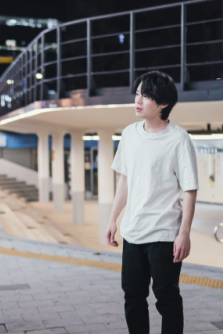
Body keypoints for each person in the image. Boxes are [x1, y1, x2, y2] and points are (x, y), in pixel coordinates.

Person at [106, 71, 198, 334]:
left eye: (146, 96)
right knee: (133, 297)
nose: (138, 100)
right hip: (133, 233)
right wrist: (113, 219)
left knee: (166, 298)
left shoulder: (178, 139)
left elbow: (189, 190)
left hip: (165, 234)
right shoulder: (129, 134)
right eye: (137, 93)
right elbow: (123, 181)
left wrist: (184, 234)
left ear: (162, 104)